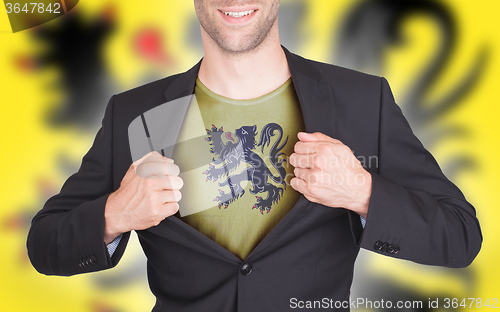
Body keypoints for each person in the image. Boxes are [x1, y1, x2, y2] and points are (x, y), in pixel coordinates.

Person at [27, 0, 482, 311]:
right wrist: (114, 214)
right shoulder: (136, 113)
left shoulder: (362, 101)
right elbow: (45, 245)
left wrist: (363, 191)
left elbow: (460, 236)